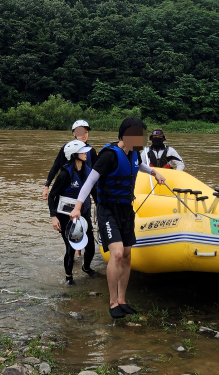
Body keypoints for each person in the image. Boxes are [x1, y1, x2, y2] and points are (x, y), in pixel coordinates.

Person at [71, 117, 166, 319]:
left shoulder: (134, 153)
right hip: (107, 210)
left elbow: (140, 166)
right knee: (116, 254)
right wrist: (77, 207)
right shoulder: (108, 156)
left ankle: (122, 300)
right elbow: (90, 182)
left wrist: (155, 173)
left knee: (127, 255)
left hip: (126, 210)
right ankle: (113, 302)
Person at [47, 139, 98, 284]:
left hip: (84, 212)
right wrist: (53, 217)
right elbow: (52, 196)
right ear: (74, 154)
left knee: (90, 245)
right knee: (70, 248)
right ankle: (69, 277)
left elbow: (93, 190)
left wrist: (100, 206)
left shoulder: (88, 169)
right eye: (83, 152)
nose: (86, 154)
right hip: (66, 216)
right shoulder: (64, 174)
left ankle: (86, 268)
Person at [42, 120, 96, 201]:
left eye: (86, 132)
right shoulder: (66, 149)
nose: (84, 135)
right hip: (66, 192)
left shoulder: (91, 151)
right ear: (74, 133)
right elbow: (55, 167)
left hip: (83, 193)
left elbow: (96, 173)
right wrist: (46, 187)